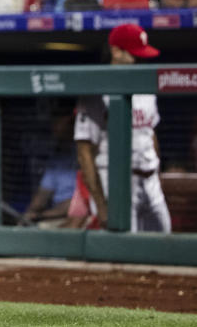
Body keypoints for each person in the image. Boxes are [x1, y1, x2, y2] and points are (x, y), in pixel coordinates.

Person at [71, 24, 171, 233]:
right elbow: (84, 152)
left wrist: (157, 176)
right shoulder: (96, 92)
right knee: (126, 254)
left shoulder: (145, 84)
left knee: (165, 244)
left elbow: (150, 134)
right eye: (134, 54)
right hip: (115, 181)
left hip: (150, 179)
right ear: (116, 51)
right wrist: (100, 204)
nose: (139, 60)